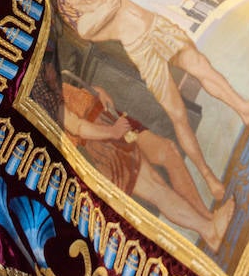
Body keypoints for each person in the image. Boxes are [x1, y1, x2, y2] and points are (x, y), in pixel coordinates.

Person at [56, 0, 249, 201]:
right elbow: (114, 5)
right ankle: (208, 177)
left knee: (202, 67)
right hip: (142, 49)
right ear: (67, 6)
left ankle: (243, 108)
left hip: (158, 28)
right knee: (178, 114)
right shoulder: (84, 25)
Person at [61, 81, 233, 250]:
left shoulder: (49, 73)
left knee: (168, 151)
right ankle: (209, 231)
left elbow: (74, 98)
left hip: (109, 119)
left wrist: (96, 91)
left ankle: (208, 218)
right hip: (102, 141)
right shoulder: (42, 92)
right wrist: (112, 132)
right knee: (156, 187)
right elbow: (76, 126)